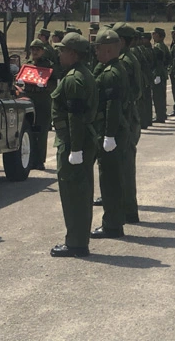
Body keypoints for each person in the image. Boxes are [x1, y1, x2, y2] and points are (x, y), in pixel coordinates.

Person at [49, 33, 99, 257]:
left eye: (62, 51)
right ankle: (77, 239)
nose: (59, 54)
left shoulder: (73, 79)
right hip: (77, 141)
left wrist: (75, 149)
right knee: (79, 192)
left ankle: (77, 243)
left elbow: (75, 117)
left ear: (73, 54)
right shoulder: (81, 74)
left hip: (73, 143)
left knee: (74, 195)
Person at [91, 28, 129, 240]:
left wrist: (109, 135)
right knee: (113, 179)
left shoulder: (111, 73)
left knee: (110, 181)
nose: (95, 52)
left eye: (98, 49)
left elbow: (112, 107)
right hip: (113, 131)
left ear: (107, 50)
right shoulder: (113, 68)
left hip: (111, 132)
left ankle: (112, 225)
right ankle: (115, 220)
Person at [112, 23, 142, 224]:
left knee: (123, 166)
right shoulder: (129, 58)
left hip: (124, 117)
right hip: (130, 115)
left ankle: (126, 208)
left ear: (121, 41)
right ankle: (127, 207)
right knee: (124, 165)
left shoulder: (123, 62)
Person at [22, 39, 57, 170]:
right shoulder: (27, 64)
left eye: (37, 49)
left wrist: (46, 85)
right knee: (29, 131)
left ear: (43, 51)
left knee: (41, 132)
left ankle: (39, 160)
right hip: (29, 99)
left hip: (43, 100)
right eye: (33, 49)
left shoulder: (49, 65)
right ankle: (29, 159)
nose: (35, 52)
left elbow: (55, 83)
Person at [151, 27, 170, 123]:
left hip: (159, 73)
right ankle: (162, 114)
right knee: (161, 96)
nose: (152, 35)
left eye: (154, 34)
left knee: (158, 96)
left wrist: (157, 74)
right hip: (163, 73)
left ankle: (160, 116)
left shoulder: (158, 46)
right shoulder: (163, 46)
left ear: (158, 35)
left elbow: (158, 62)